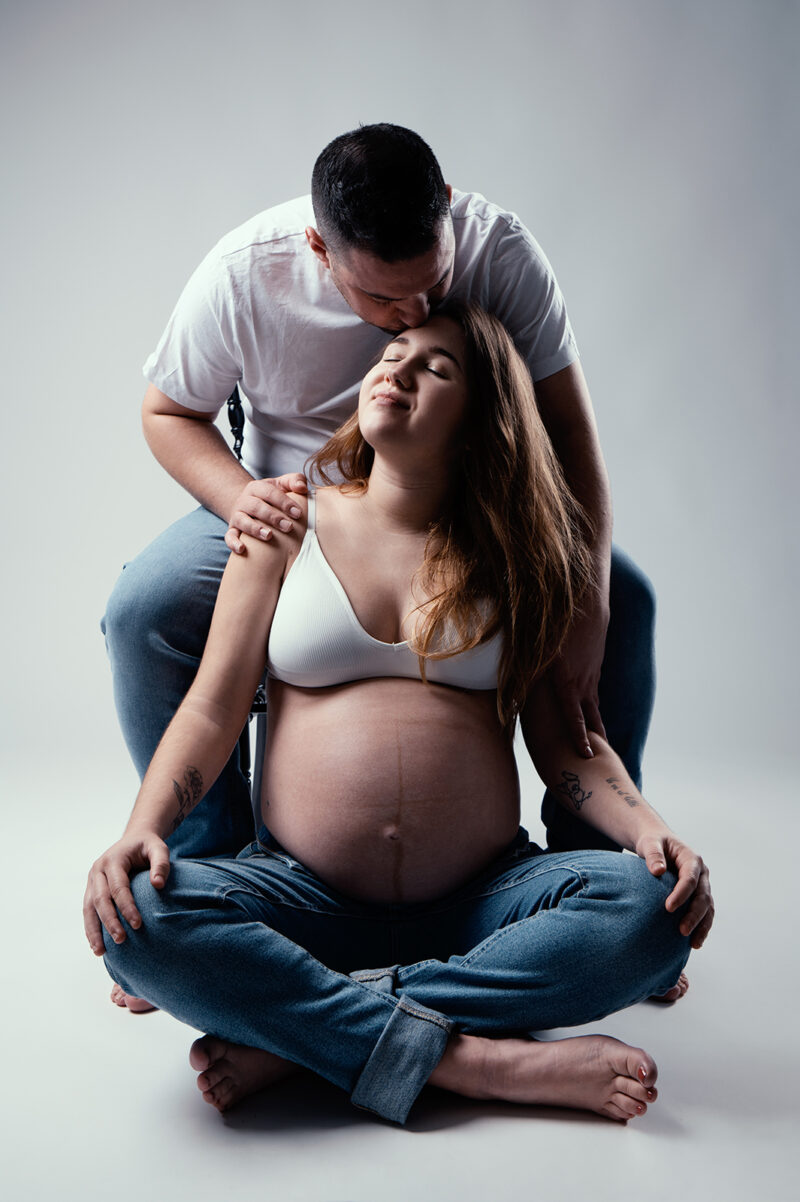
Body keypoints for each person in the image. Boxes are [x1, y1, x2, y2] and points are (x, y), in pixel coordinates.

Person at [85, 305, 713, 1126]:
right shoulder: (285, 520)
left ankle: (309, 1033)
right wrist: (144, 826)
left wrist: (647, 829)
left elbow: (568, 745)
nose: (397, 369)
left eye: (436, 367)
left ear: (483, 418)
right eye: (392, 353)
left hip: (483, 899)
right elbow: (211, 707)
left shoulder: (521, 555)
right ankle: (480, 1064)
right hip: (301, 897)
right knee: (141, 921)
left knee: (649, 913)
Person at [102, 123, 656, 882]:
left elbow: (568, 428)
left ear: (449, 209)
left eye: (433, 282)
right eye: (387, 301)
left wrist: (585, 596)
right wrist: (248, 503)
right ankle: (204, 866)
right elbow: (166, 414)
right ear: (319, 250)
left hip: (457, 501)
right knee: (144, 609)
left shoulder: (500, 249)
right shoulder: (242, 274)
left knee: (621, 596)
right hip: (292, 509)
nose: (417, 310)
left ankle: (600, 861)